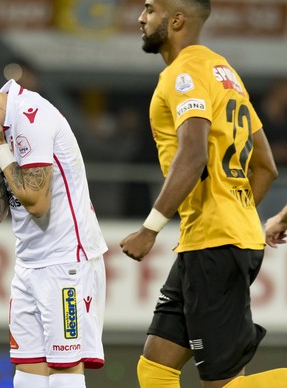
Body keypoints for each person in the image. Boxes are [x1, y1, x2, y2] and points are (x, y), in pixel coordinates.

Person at [120, 1, 287, 387]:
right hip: (213, 239)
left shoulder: (184, 75)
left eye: (150, 9)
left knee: (225, 385)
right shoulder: (224, 72)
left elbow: (192, 153)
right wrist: (239, 217)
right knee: (155, 366)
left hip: (214, 246)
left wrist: (150, 228)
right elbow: (265, 166)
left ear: (176, 19)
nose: (141, 18)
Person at [0, 74, 108, 388]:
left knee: (64, 372)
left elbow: (37, 202)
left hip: (66, 262)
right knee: (27, 375)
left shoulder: (32, 114)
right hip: (28, 265)